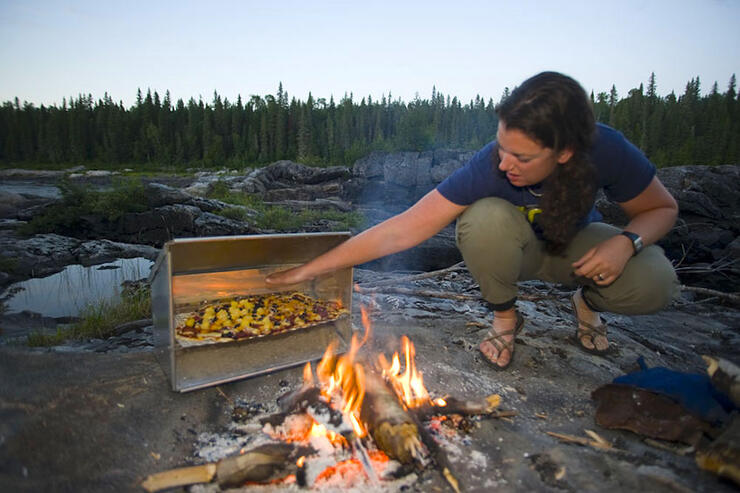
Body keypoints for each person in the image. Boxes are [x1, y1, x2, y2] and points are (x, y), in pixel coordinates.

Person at [266, 71, 680, 370]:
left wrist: (627, 243)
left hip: (575, 250)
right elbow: (403, 228)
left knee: (656, 282)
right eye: (501, 147)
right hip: (517, 253)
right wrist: (307, 270)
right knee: (482, 217)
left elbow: (662, 209)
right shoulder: (490, 165)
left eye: (522, 157)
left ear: (566, 151)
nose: (505, 163)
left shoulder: (606, 149)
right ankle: (505, 318)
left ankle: (586, 304)